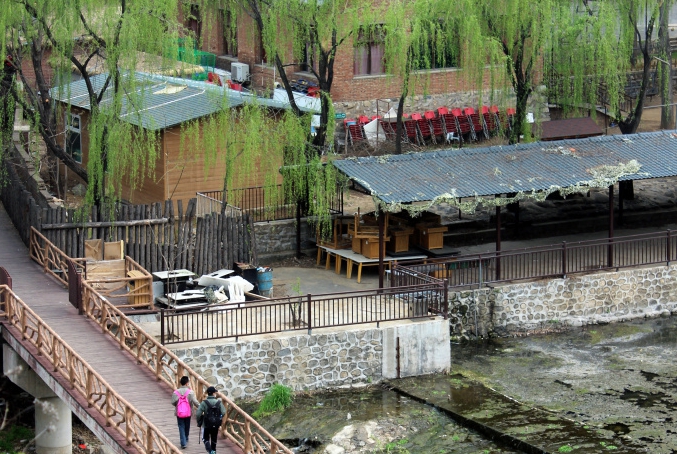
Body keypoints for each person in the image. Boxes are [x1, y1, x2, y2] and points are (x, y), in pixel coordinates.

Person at [196, 386, 227, 454]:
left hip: (206, 424)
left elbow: (198, 413)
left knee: (205, 438)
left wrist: (199, 421)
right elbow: (224, 412)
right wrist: (220, 417)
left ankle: (210, 451)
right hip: (216, 424)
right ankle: (214, 451)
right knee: (214, 438)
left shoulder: (204, 403)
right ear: (213, 393)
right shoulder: (218, 402)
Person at [172, 376, 200, 449]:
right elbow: (195, 402)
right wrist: (200, 407)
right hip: (188, 412)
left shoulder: (176, 392)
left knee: (181, 426)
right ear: (187, 383)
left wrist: (178, 404)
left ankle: (183, 443)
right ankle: (186, 438)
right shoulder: (190, 392)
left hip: (179, 412)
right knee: (187, 426)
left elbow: (173, 402)